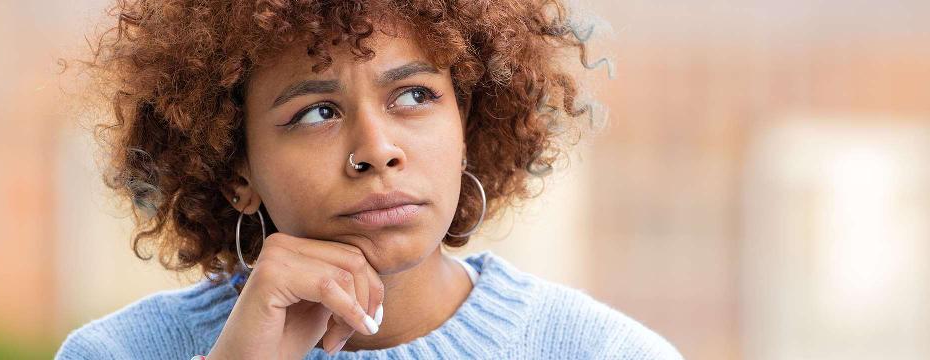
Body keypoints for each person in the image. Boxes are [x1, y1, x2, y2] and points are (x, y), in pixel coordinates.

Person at [56, 0, 683, 359]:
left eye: (413, 96)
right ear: (235, 169)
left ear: (468, 124)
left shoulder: (601, 353)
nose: (377, 151)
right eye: (316, 112)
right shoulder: (119, 353)